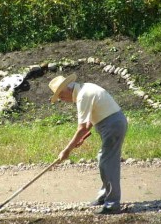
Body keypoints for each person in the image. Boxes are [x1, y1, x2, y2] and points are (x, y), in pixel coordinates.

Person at [48, 74, 128, 215]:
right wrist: (82, 138)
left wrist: (66, 150)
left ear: (66, 89)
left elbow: (82, 127)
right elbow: (90, 120)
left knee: (108, 162)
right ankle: (104, 197)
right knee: (103, 160)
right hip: (112, 123)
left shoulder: (82, 96)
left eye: (61, 96)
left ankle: (112, 204)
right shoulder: (85, 89)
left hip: (112, 125)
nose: (62, 100)